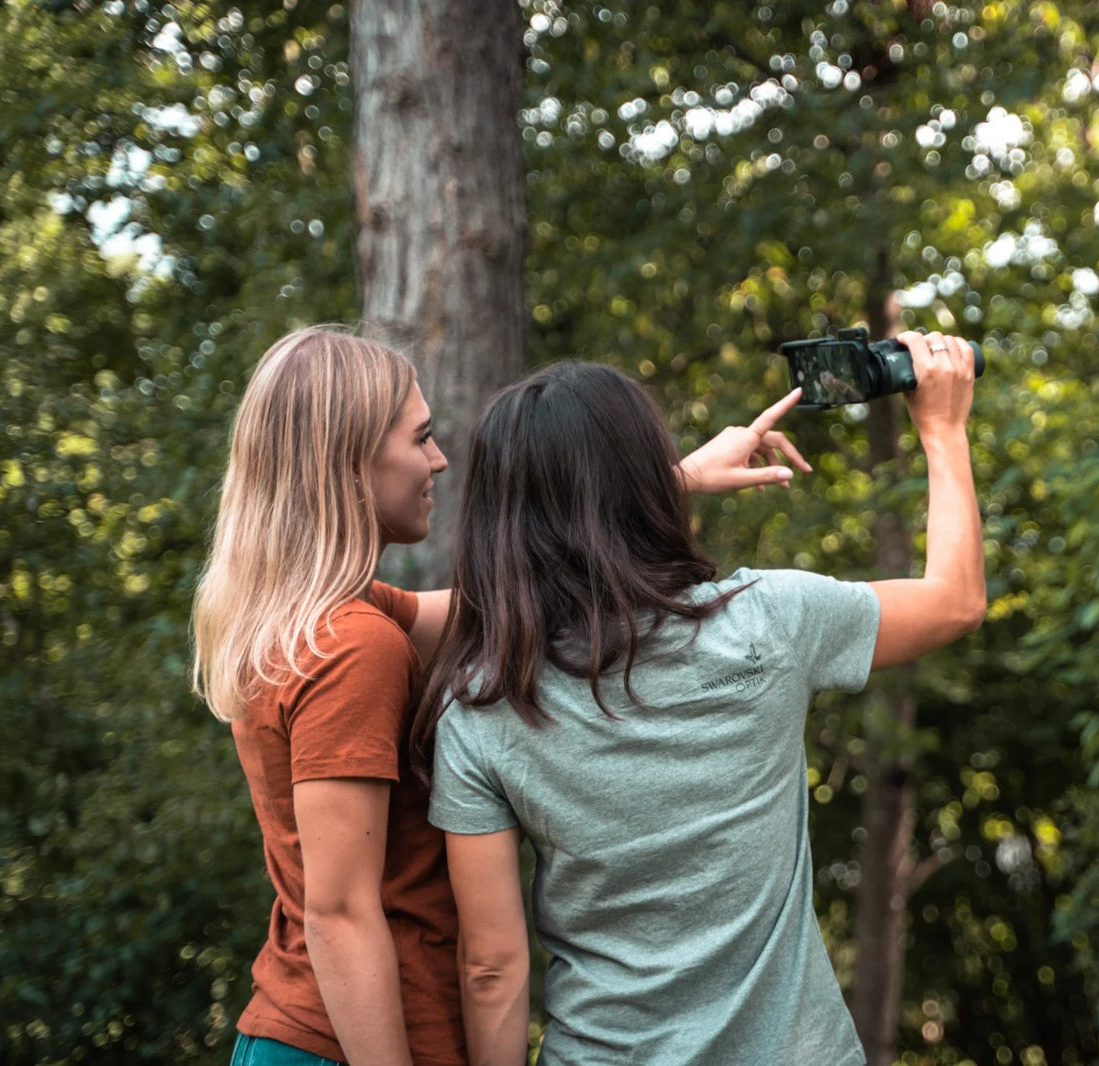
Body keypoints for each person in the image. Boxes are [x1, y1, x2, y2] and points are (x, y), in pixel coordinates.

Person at [191, 326, 812, 1066]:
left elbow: (513, 594)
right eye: (420, 439)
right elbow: (341, 915)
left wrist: (657, 483)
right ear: (349, 463)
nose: (439, 460)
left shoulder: (318, 623)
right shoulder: (352, 648)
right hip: (353, 1046)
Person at [417, 331, 985, 1065]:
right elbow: (955, 600)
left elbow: (492, 969)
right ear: (647, 482)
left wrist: (655, 484)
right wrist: (942, 430)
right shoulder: (767, 622)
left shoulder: (483, 709)